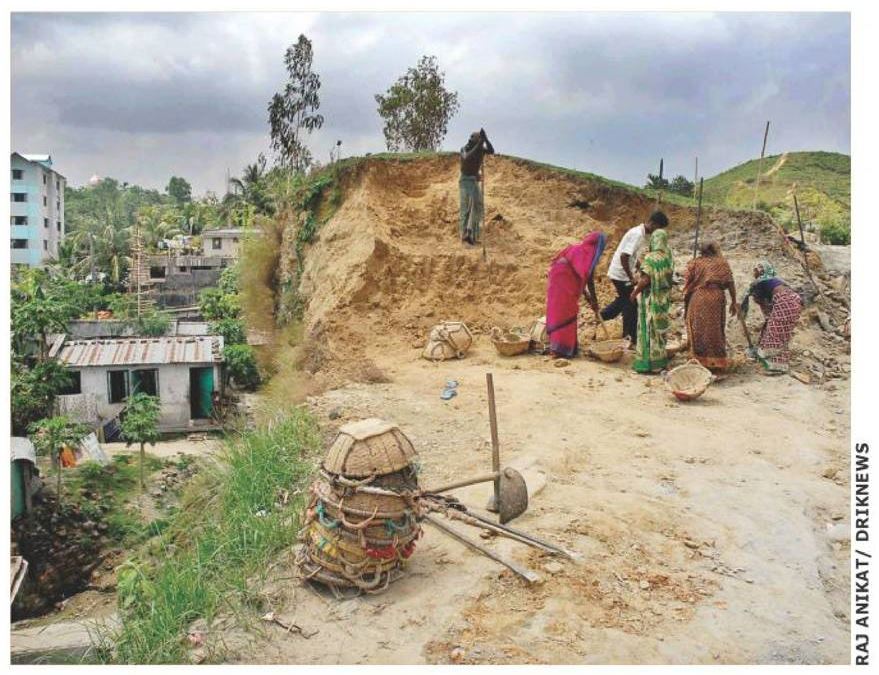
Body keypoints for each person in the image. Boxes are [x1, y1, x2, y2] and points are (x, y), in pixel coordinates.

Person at [600, 210, 669, 345]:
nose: (657, 233)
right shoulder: (637, 235)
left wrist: (640, 266)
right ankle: (631, 336)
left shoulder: (640, 234)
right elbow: (624, 256)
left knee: (625, 300)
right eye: (658, 228)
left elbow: (632, 255)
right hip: (620, 274)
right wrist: (631, 277)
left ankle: (604, 317)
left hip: (620, 272)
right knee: (631, 304)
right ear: (653, 224)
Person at [545, 231, 607, 358]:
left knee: (563, 310)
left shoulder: (578, 249)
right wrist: (594, 300)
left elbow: (579, 274)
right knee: (566, 310)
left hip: (559, 278)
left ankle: (567, 347)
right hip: (563, 279)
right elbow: (588, 278)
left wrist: (588, 296)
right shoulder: (587, 254)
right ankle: (560, 349)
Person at [740, 261, 803, 374]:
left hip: (785, 303)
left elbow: (762, 303)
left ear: (761, 271)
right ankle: (776, 364)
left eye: (755, 270)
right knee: (780, 335)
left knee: (775, 335)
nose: (754, 273)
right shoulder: (774, 281)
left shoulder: (760, 282)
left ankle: (776, 366)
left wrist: (742, 309)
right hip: (794, 302)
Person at [683, 241, 737, 370]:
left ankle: (699, 360)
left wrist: (686, 301)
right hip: (716, 297)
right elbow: (730, 283)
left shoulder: (695, 263)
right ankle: (717, 361)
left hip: (699, 297)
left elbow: (688, 282)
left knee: (698, 328)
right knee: (715, 329)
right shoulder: (722, 263)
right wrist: (734, 301)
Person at [630, 228, 674, 373]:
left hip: (650, 299)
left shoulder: (651, 258)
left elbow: (645, 279)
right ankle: (660, 361)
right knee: (658, 331)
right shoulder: (667, 258)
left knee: (648, 329)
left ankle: (647, 363)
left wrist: (634, 292)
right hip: (662, 299)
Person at [459, 129, 494, 244]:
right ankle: (465, 233)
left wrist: (486, 139)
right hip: (465, 181)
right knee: (467, 207)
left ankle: (472, 234)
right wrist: (479, 144)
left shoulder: (480, 150)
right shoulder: (464, 149)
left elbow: (491, 151)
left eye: (473, 138)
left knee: (477, 206)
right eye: (470, 137)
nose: (469, 140)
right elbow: (466, 159)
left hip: (474, 181)